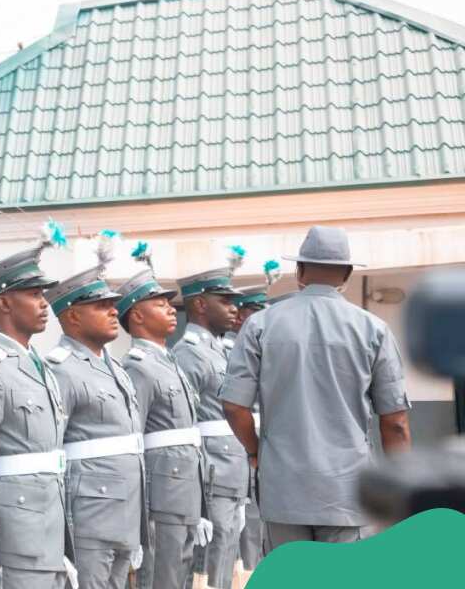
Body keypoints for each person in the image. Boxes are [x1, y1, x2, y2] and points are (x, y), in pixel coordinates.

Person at [221, 226, 412, 552]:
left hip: (283, 489)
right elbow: (395, 423)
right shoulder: (373, 329)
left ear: (299, 270)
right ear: (347, 274)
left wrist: (256, 453)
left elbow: (234, 406)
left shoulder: (260, 325)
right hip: (349, 493)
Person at [0, 244, 76, 589]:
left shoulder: (39, 366)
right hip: (14, 537)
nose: (45, 304)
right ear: (5, 302)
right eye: (35, 295)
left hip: (48, 531)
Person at [44, 265, 146, 589]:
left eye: (112, 304)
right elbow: (51, 450)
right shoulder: (61, 369)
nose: (114, 311)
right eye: (101, 306)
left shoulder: (114, 367)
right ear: (73, 316)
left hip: (125, 511)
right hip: (90, 516)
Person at [115, 269, 211, 589]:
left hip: (184, 492)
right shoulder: (137, 366)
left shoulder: (168, 362)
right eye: (160, 304)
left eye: (170, 304)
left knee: (180, 578)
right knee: (162, 580)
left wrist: (201, 505)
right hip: (161, 496)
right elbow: (134, 442)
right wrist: (137, 519)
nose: (172, 309)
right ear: (138, 315)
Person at [171, 265, 243, 589]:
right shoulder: (188, 355)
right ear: (200, 305)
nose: (234, 308)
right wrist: (196, 497)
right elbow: (186, 426)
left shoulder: (218, 351)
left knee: (223, 569)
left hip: (230, 476)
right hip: (210, 477)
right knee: (206, 573)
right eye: (225, 301)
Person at [225, 283, 268, 579]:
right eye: (255, 314)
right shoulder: (228, 351)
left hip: (256, 444)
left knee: (257, 524)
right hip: (234, 449)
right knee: (243, 532)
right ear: (242, 319)